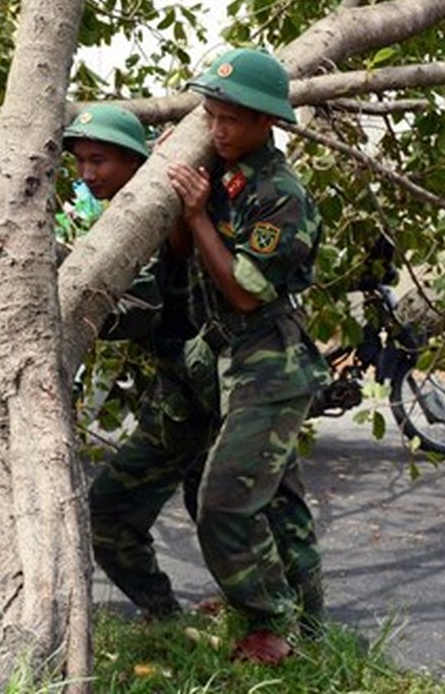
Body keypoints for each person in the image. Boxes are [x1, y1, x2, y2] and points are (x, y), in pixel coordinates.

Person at [167, 47, 330, 665]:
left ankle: (269, 621)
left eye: (231, 119)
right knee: (279, 504)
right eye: (211, 116)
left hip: (273, 366)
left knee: (225, 503)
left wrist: (197, 215)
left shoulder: (278, 193)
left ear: (268, 121)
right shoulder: (225, 174)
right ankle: (308, 624)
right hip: (237, 364)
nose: (218, 130)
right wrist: (191, 212)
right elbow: (183, 253)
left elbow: (243, 290)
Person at [65, 104, 220, 619]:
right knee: (110, 512)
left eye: (100, 161)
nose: (88, 174)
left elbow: (140, 309)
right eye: (81, 161)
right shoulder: (123, 217)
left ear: (136, 161)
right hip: (179, 394)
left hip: (222, 392)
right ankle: (164, 614)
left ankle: (280, 620)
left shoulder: (163, 209)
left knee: (236, 512)